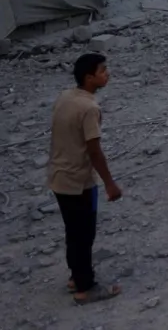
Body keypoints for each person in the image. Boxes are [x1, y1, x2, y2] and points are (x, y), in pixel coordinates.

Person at [49, 53, 123, 305]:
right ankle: (85, 287)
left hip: (59, 176)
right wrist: (110, 183)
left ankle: (77, 276)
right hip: (79, 180)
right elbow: (94, 150)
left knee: (74, 232)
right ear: (89, 77)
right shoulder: (90, 108)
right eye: (103, 71)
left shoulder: (66, 97)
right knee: (84, 234)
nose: (107, 74)